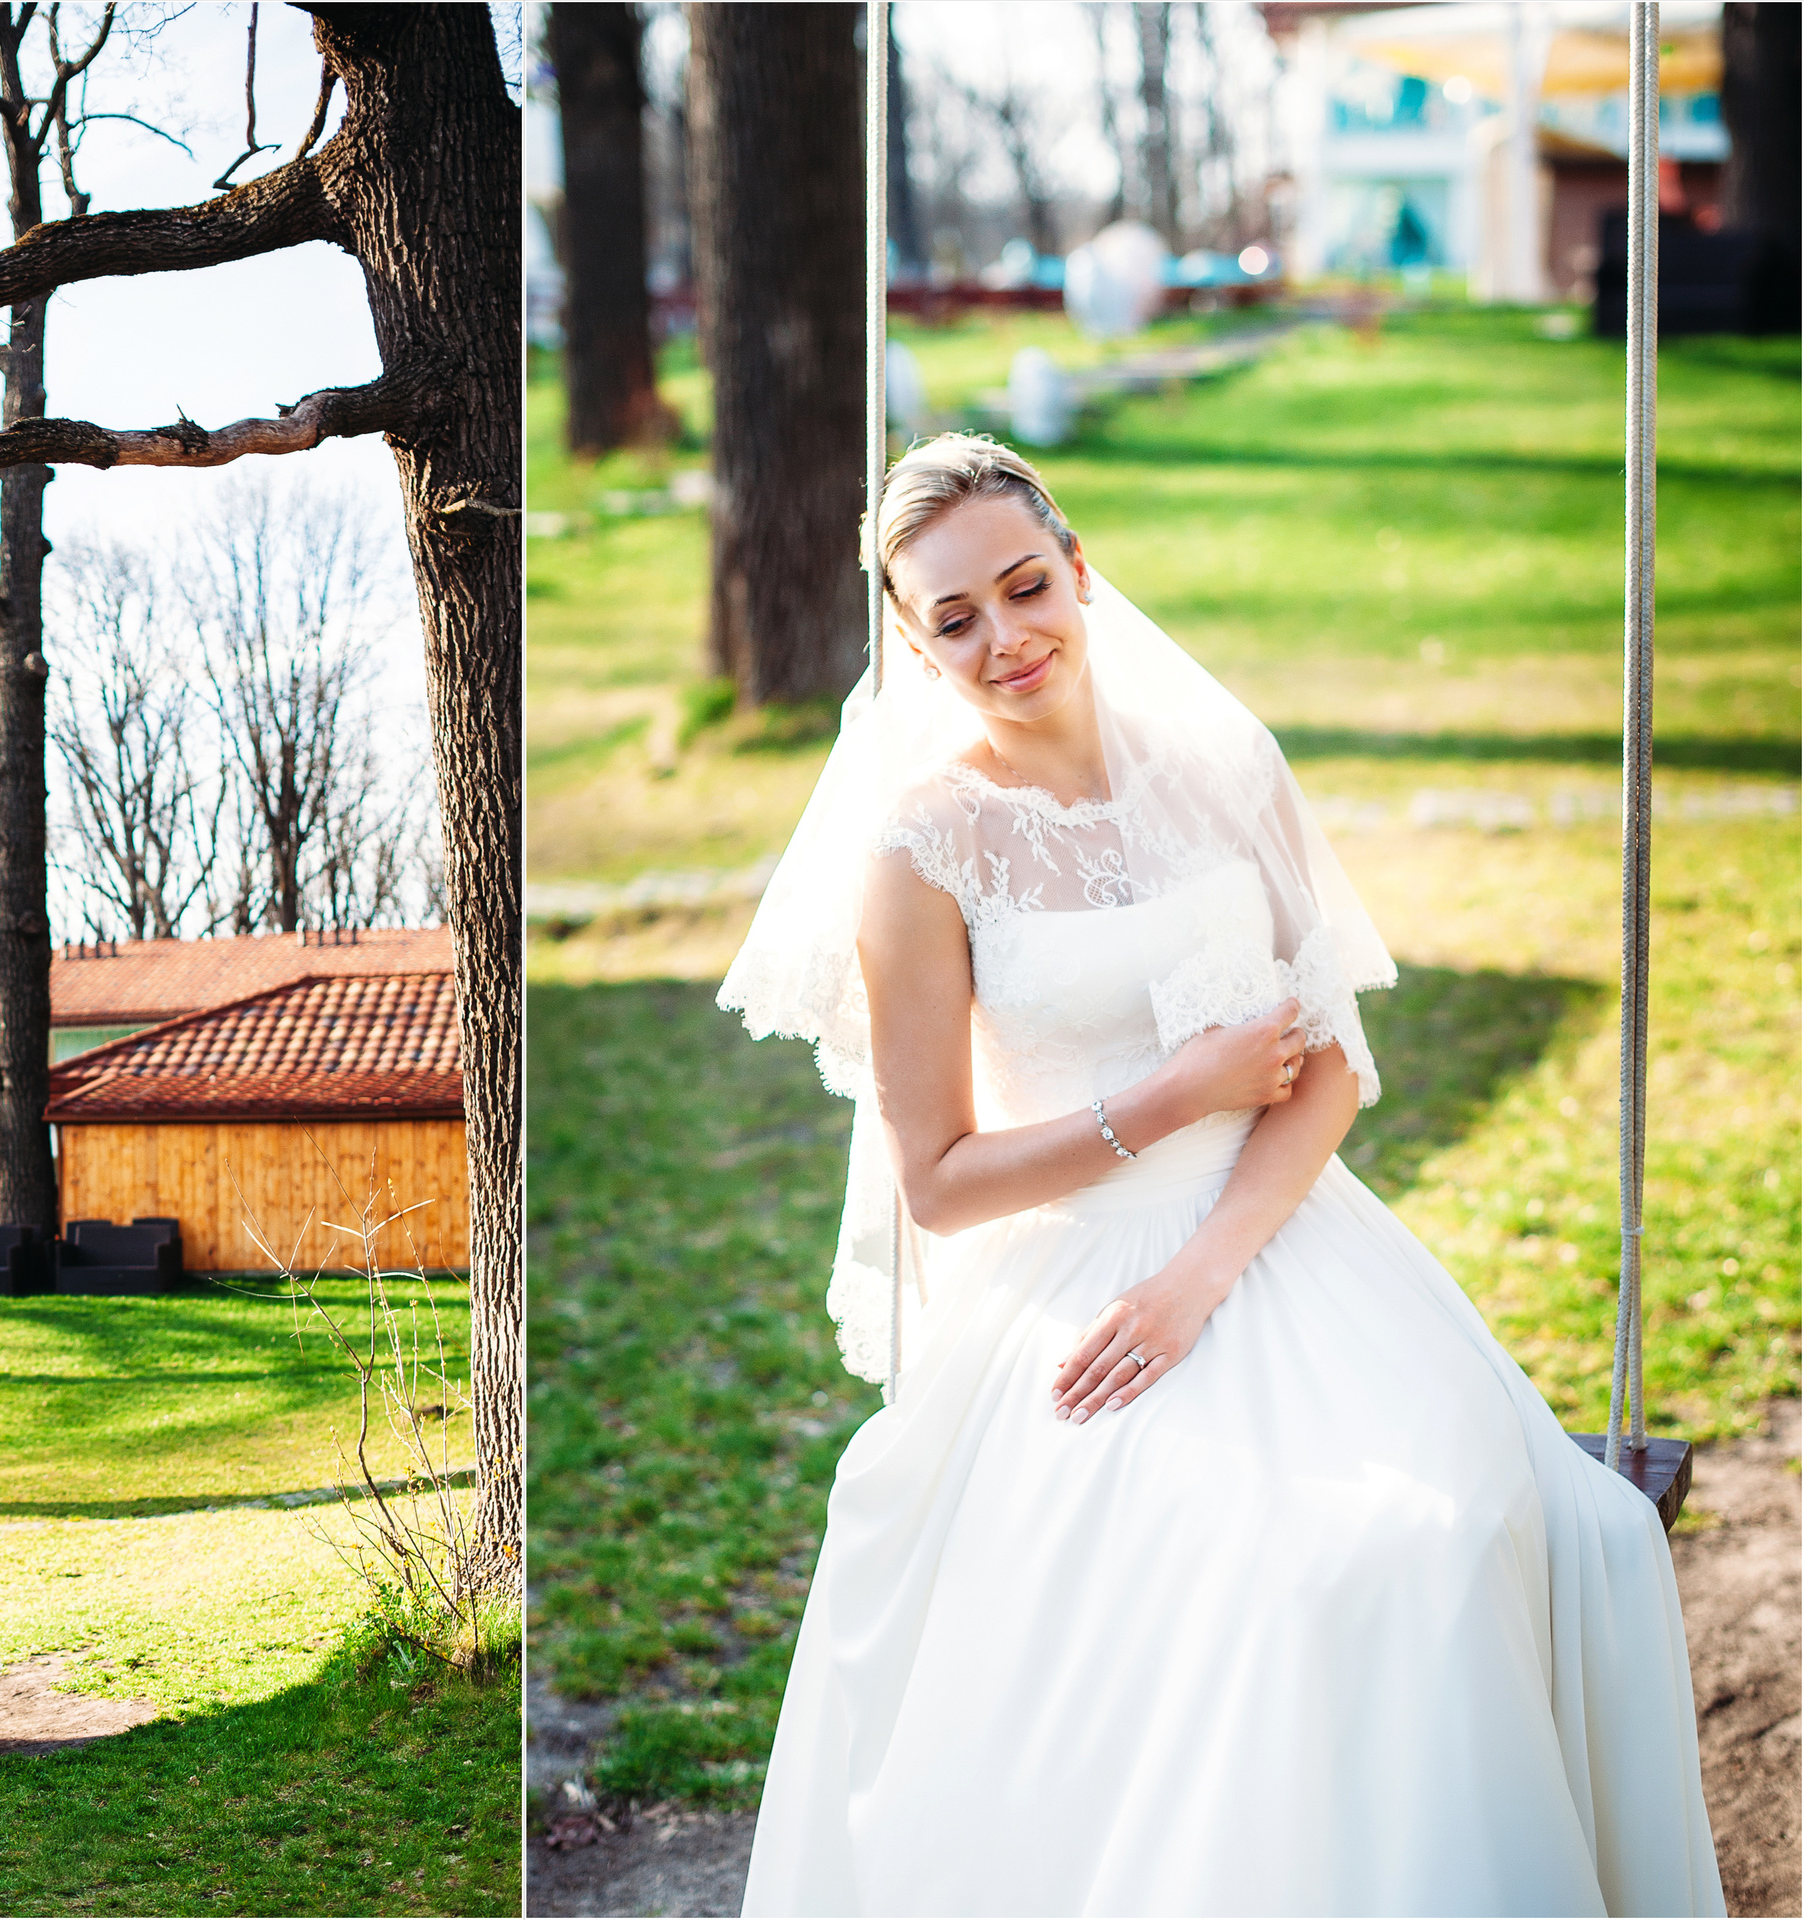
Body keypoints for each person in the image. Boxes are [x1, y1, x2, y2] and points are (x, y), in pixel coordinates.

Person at [719, 434, 1722, 1917]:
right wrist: (1170, 1098)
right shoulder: (922, 852)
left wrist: (1201, 1272)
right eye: (956, 619)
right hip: (1076, 1292)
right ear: (917, 651)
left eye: (1025, 587)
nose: (1005, 638)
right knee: (1264, 1580)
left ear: (1080, 572)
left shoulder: (1224, 769)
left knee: (1449, 1534)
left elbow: (1331, 1066)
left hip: (1288, 1242)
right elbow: (937, 1179)